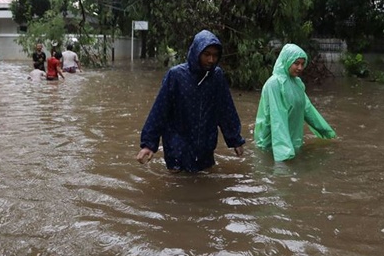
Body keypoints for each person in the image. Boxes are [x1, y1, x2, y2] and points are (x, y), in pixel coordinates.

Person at [136, 29, 245, 173]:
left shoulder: (217, 77)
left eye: (214, 55)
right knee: (177, 184)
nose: (211, 60)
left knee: (205, 182)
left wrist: (235, 140)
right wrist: (148, 145)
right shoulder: (176, 76)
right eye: (206, 55)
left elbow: (226, 109)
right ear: (196, 53)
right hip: (177, 146)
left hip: (205, 146)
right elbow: (160, 110)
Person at [253, 43, 336, 161]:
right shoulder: (274, 84)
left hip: (291, 140)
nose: (300, 68)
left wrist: (328, 132)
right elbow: (277, 117)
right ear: (286, 61)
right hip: (270, 144)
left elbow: (307, 109)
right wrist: (283, 154)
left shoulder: (297, 83)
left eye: (302, 64)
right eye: (296, 63)